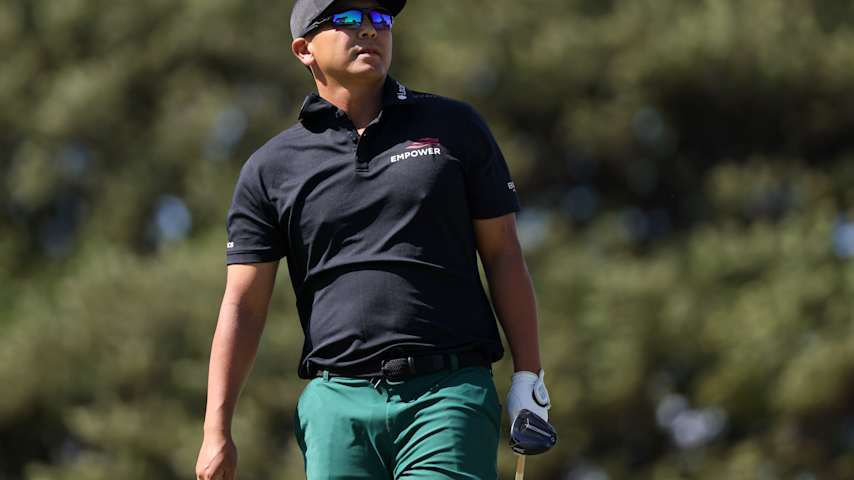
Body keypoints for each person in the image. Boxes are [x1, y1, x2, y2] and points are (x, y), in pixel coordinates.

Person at [195, 0, 551, 478]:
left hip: (446, 394)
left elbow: (504, 254)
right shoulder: (271, 167)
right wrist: (216, 430)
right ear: (304, 50)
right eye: (346, 20)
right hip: (335, 405)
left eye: (380, 20)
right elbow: (243, 304)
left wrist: (529, 378)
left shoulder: (453, 127)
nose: (368, 30)